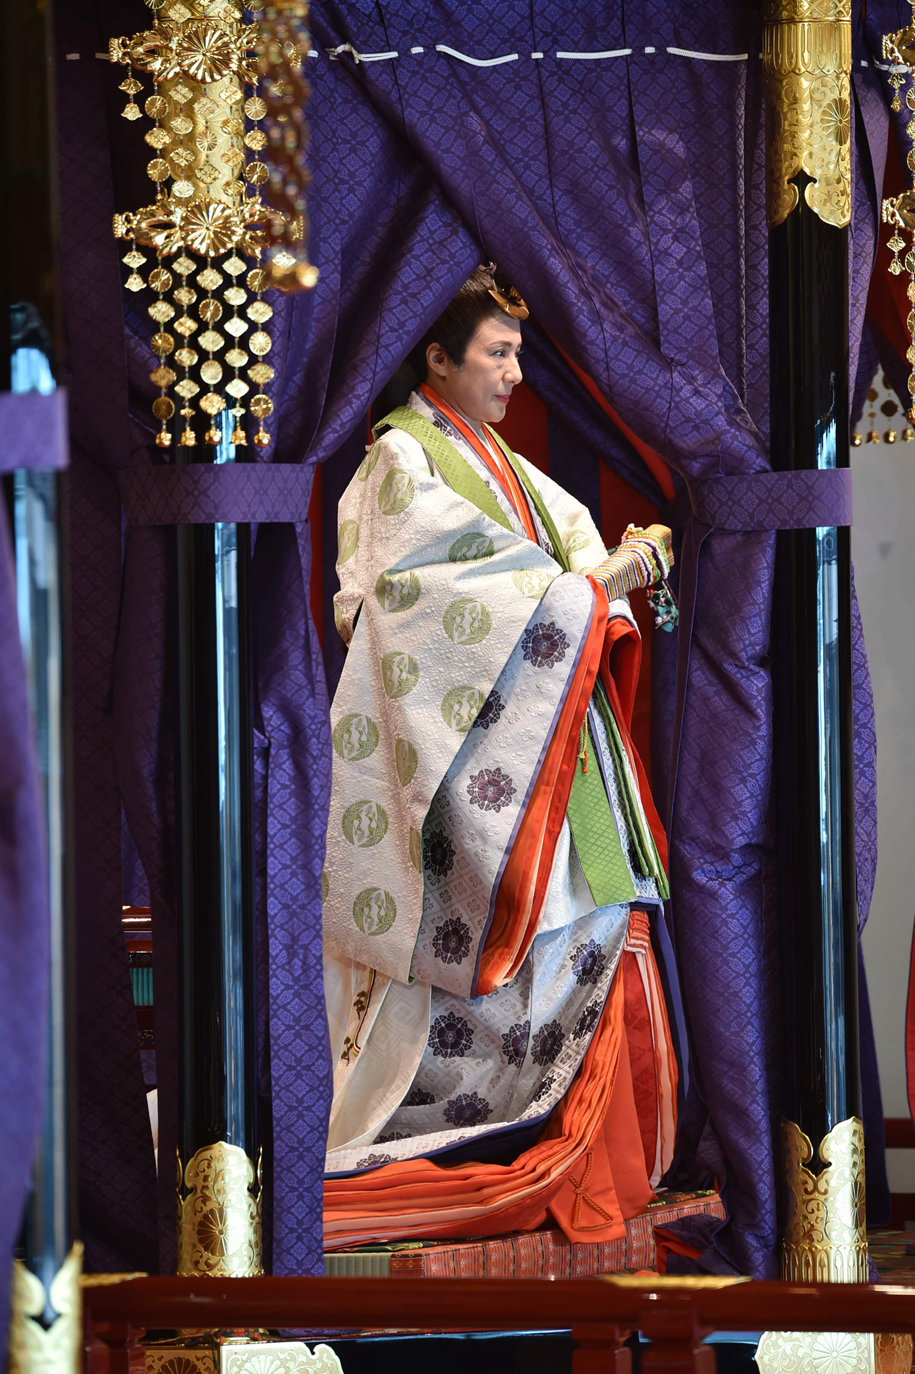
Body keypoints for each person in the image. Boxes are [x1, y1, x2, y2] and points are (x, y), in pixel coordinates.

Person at [322, 266, 680, 1251]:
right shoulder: (402, 457)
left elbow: (564, 556)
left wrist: (601, 575)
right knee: (488, 973)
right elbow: (427, 600)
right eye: (499, 353)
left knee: (597, 934)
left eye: (520, 354)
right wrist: (602, 584)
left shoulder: (506, 466)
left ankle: (594, 1157)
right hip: (470, 760)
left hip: (556, 750)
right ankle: (480, 1145)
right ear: (437, 357)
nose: (517, 374)